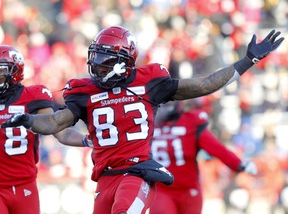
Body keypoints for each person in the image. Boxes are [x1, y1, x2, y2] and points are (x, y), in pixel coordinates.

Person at [1, 26, 283, 214]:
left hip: (136, 173)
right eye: (95, 57)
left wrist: (247, 61)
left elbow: (204, 84)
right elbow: (55, 124)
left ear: (124, 61)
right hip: (104, 179)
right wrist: (27, 120)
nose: (95, 64)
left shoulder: (151, 81)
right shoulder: (84, 91)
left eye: (104, 59)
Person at [0, 45, 88, 214]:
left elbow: (59, 130)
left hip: (25, 184)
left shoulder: (33, 95)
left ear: (14, 72)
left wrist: (87, 140)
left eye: (1, 71)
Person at [149, 100, 257, 214]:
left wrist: (238, 164)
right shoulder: (147, 123)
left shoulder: (190, 121)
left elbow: (217, 149)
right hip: (161, 189)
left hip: (188, 189)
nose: (165, 106)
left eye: (169, 101)